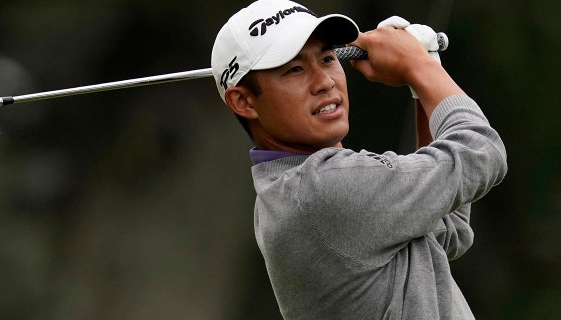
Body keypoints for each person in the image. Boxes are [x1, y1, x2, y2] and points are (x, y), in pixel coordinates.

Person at [210, 0, 507, 319]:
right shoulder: (322, 189)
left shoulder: (288, 191)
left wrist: (423, 81)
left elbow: (447, 230)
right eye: (295, 69)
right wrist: (418, 66)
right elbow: (481, 152)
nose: (324, 81)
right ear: (243, 101)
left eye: (327, 58)